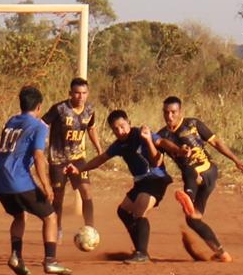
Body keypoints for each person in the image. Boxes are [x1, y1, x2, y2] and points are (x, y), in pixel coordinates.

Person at [67, 110, 171, 264]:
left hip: (156, 179)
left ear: (129, 122)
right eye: (115, 129)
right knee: (123, 211)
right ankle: (140, 250)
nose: (120, 131)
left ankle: (141, 253)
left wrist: (176, 150)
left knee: (139, 212)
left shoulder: (140, 134)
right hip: (141, 183)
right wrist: (79, 169)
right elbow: (101, 158)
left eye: (122, 126)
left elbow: (161, 143)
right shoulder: (119, 145)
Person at [155, 96, 243, 262]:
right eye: (166, 112)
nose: (169, 116)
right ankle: (222, 254)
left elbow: (217, 143)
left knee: (190, 168)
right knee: (193, 219)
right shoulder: (162, 135)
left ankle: (189, 198)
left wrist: (236, 160)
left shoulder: (193, 124)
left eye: (173, 112)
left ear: (180, 112)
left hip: (208, 171)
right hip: (198, 180)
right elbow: (158, 155)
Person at [0, 86, 72, 275]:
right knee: (50, 216)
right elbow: (38, 156)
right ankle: (50, 261)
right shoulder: (39, 126)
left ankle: (16, 256)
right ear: (39, 107)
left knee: (19, 215)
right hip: (17, 180)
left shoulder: (11, 121)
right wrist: (46, 185)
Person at [41, 77, 103, 241]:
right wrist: (40, 147)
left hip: (78, 159)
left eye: (83, 93)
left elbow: (91, 128)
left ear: (87, 94)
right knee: (58, 196)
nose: (80, 96)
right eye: (76, 93)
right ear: (70, 93)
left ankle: (90, 229)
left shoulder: (90, 110)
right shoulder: (59, 109)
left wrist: (99, 149)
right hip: (58, 160)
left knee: (86, 191)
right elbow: (42, 124)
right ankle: (57, 229)